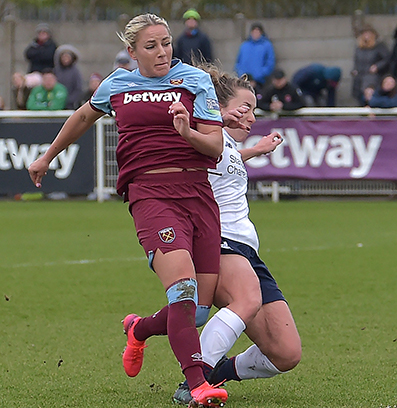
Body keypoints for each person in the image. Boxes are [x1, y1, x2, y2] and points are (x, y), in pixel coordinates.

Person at [27, 13, 228, 407]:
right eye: (151, 46)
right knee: (182, 290)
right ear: (132, 52)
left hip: (198, 195)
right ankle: (198, 384)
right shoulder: (117, 84)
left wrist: (188, 132)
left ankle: (138, 329)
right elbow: (84, 115)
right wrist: (47, 156)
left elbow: (216, 147)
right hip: (150, 193)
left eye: (166, 43)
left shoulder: (194, 80)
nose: (162, 52)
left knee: (198, 310)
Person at [170, 63, 300, 405]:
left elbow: (225, 160)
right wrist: (199, 122)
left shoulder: (224, 144)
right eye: (245, 107)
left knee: (286, 354)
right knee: (246, 299)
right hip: (220, 242)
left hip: (247, 250)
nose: (252, 117)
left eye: (254, 110)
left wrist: (255, 151)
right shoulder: (202, 135)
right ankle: (195, 381)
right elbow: (195, 150)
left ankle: (217, 371)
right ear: (217, 106)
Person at [351, 25, 389, 106]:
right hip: (359, 76)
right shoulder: (359, 48)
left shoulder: (379, 46)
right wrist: (354, 70)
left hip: (372, 78)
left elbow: (387, 59)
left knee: (370, 97)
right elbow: (356, 62)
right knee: (359, 97)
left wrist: (377, 66)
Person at [53, 45, 83, 109]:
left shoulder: (75, 72)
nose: (65, 59)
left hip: (70, 104)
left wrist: (70, 100)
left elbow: (78, 88)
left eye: (67, 57)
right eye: (63, 57)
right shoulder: (56, 71)